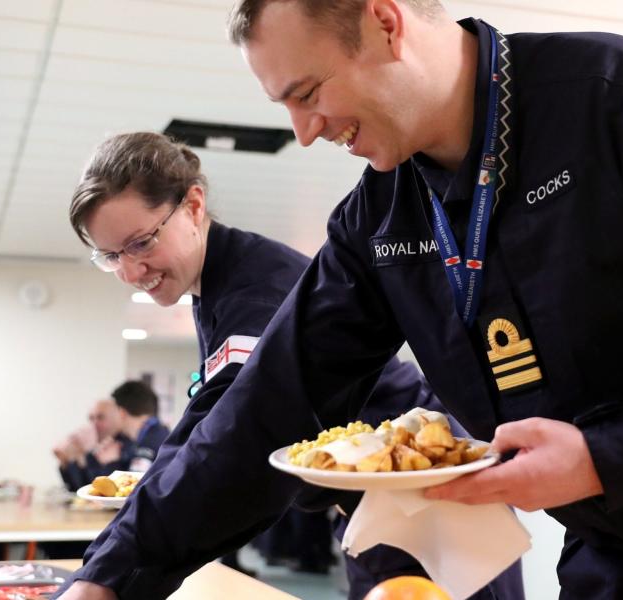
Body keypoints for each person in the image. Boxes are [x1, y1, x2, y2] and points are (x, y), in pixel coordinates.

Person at [58, 1, 623, 598]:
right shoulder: (379, 219)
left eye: (308, 93)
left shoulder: (620, 96)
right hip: (610, 558)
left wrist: (607, 453)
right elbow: (264, 409)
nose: (305, 132)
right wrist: (115, 574)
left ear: (386, 22)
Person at [61, 132, 522, 598]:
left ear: (194, 206)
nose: (130, 272)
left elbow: (228, 438)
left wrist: (106, 574)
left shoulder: (257, 291)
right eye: (111, 256)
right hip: (374, 511)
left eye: (141, 243)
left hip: (435, 507)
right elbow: (205, 427)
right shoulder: (213, 291)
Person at [55, 398, 129, 491]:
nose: (94, 424)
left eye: (100, 417)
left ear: (116, 417)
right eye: (91, 418)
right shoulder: (95, 446)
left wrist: (111, 463)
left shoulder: (127, 445)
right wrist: (67, 461)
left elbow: (112, 491)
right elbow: (78, 488)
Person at [110, 381, 170, 473]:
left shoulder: (149, 443)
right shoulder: (158, 434)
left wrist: (111, 463)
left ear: (122, 412)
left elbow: (133, 485)